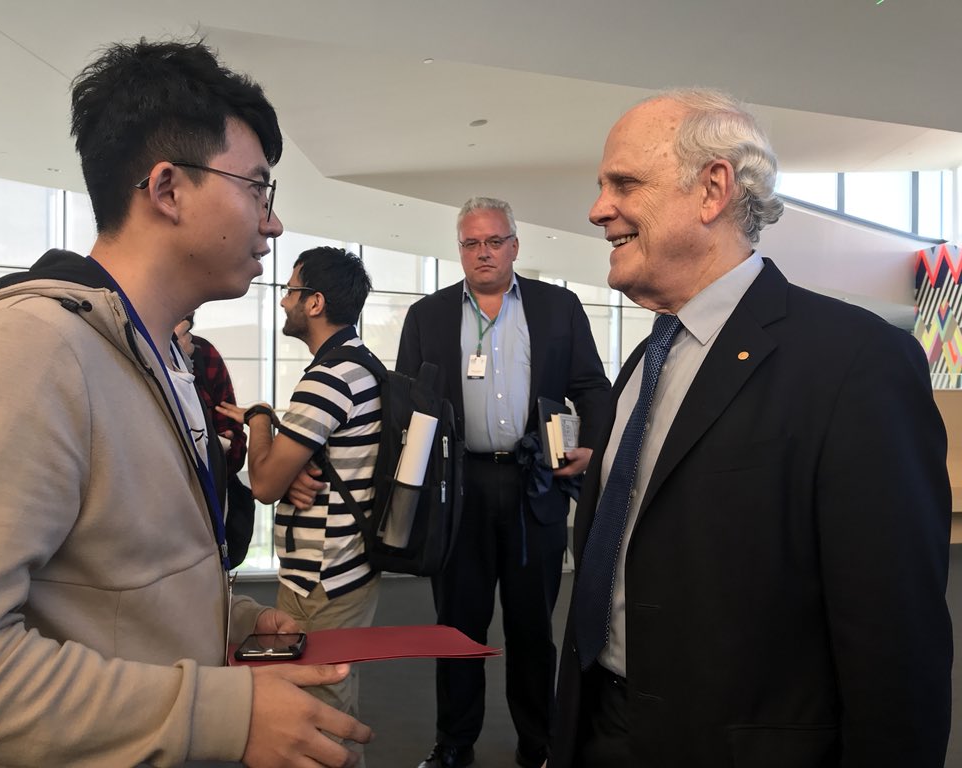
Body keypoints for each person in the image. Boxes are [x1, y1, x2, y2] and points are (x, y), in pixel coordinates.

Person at [0, 39, 370, 767]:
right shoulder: (29, 351)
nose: (271, 222)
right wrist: (221, 715)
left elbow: (102, 582)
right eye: (257, 189)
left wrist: (225, 620)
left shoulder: (157, 358)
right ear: (168, 189)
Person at [550, 89, 953, 768]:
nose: (598, 210)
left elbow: (896, 642)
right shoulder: (645, 360)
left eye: (624, 183)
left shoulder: (857, 363)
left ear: (713, 190)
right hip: (603, 729)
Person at [396, 197, 611, 768]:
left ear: (515, 246)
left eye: (494, 241)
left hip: (533, 484)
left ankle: (539, 743)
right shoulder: (427, 316)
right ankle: (453, 744)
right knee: (456, 626)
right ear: (459, 250)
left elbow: (592, 387)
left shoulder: (558, 307)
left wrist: (592, 447)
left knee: (533, 626)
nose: (483, 252)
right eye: (471, 243)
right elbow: (407, 407)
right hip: (457, 491)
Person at [217, 247, 381, 763]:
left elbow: (265, 482)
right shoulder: (361, 363)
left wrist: (260, 418)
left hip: (320, 578)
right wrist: (293, 469)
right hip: (350, 568)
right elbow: (322, 462)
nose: (284, 300)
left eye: (290, 290)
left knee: (317, 713)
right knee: (336, 699)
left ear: (315, 302)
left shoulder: (330, 376)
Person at [175, 313, 258, 567]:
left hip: (208, 532)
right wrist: (171, 365)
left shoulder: (203, 354)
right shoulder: (123, 351)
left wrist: (220, 449)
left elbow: (236, 448)